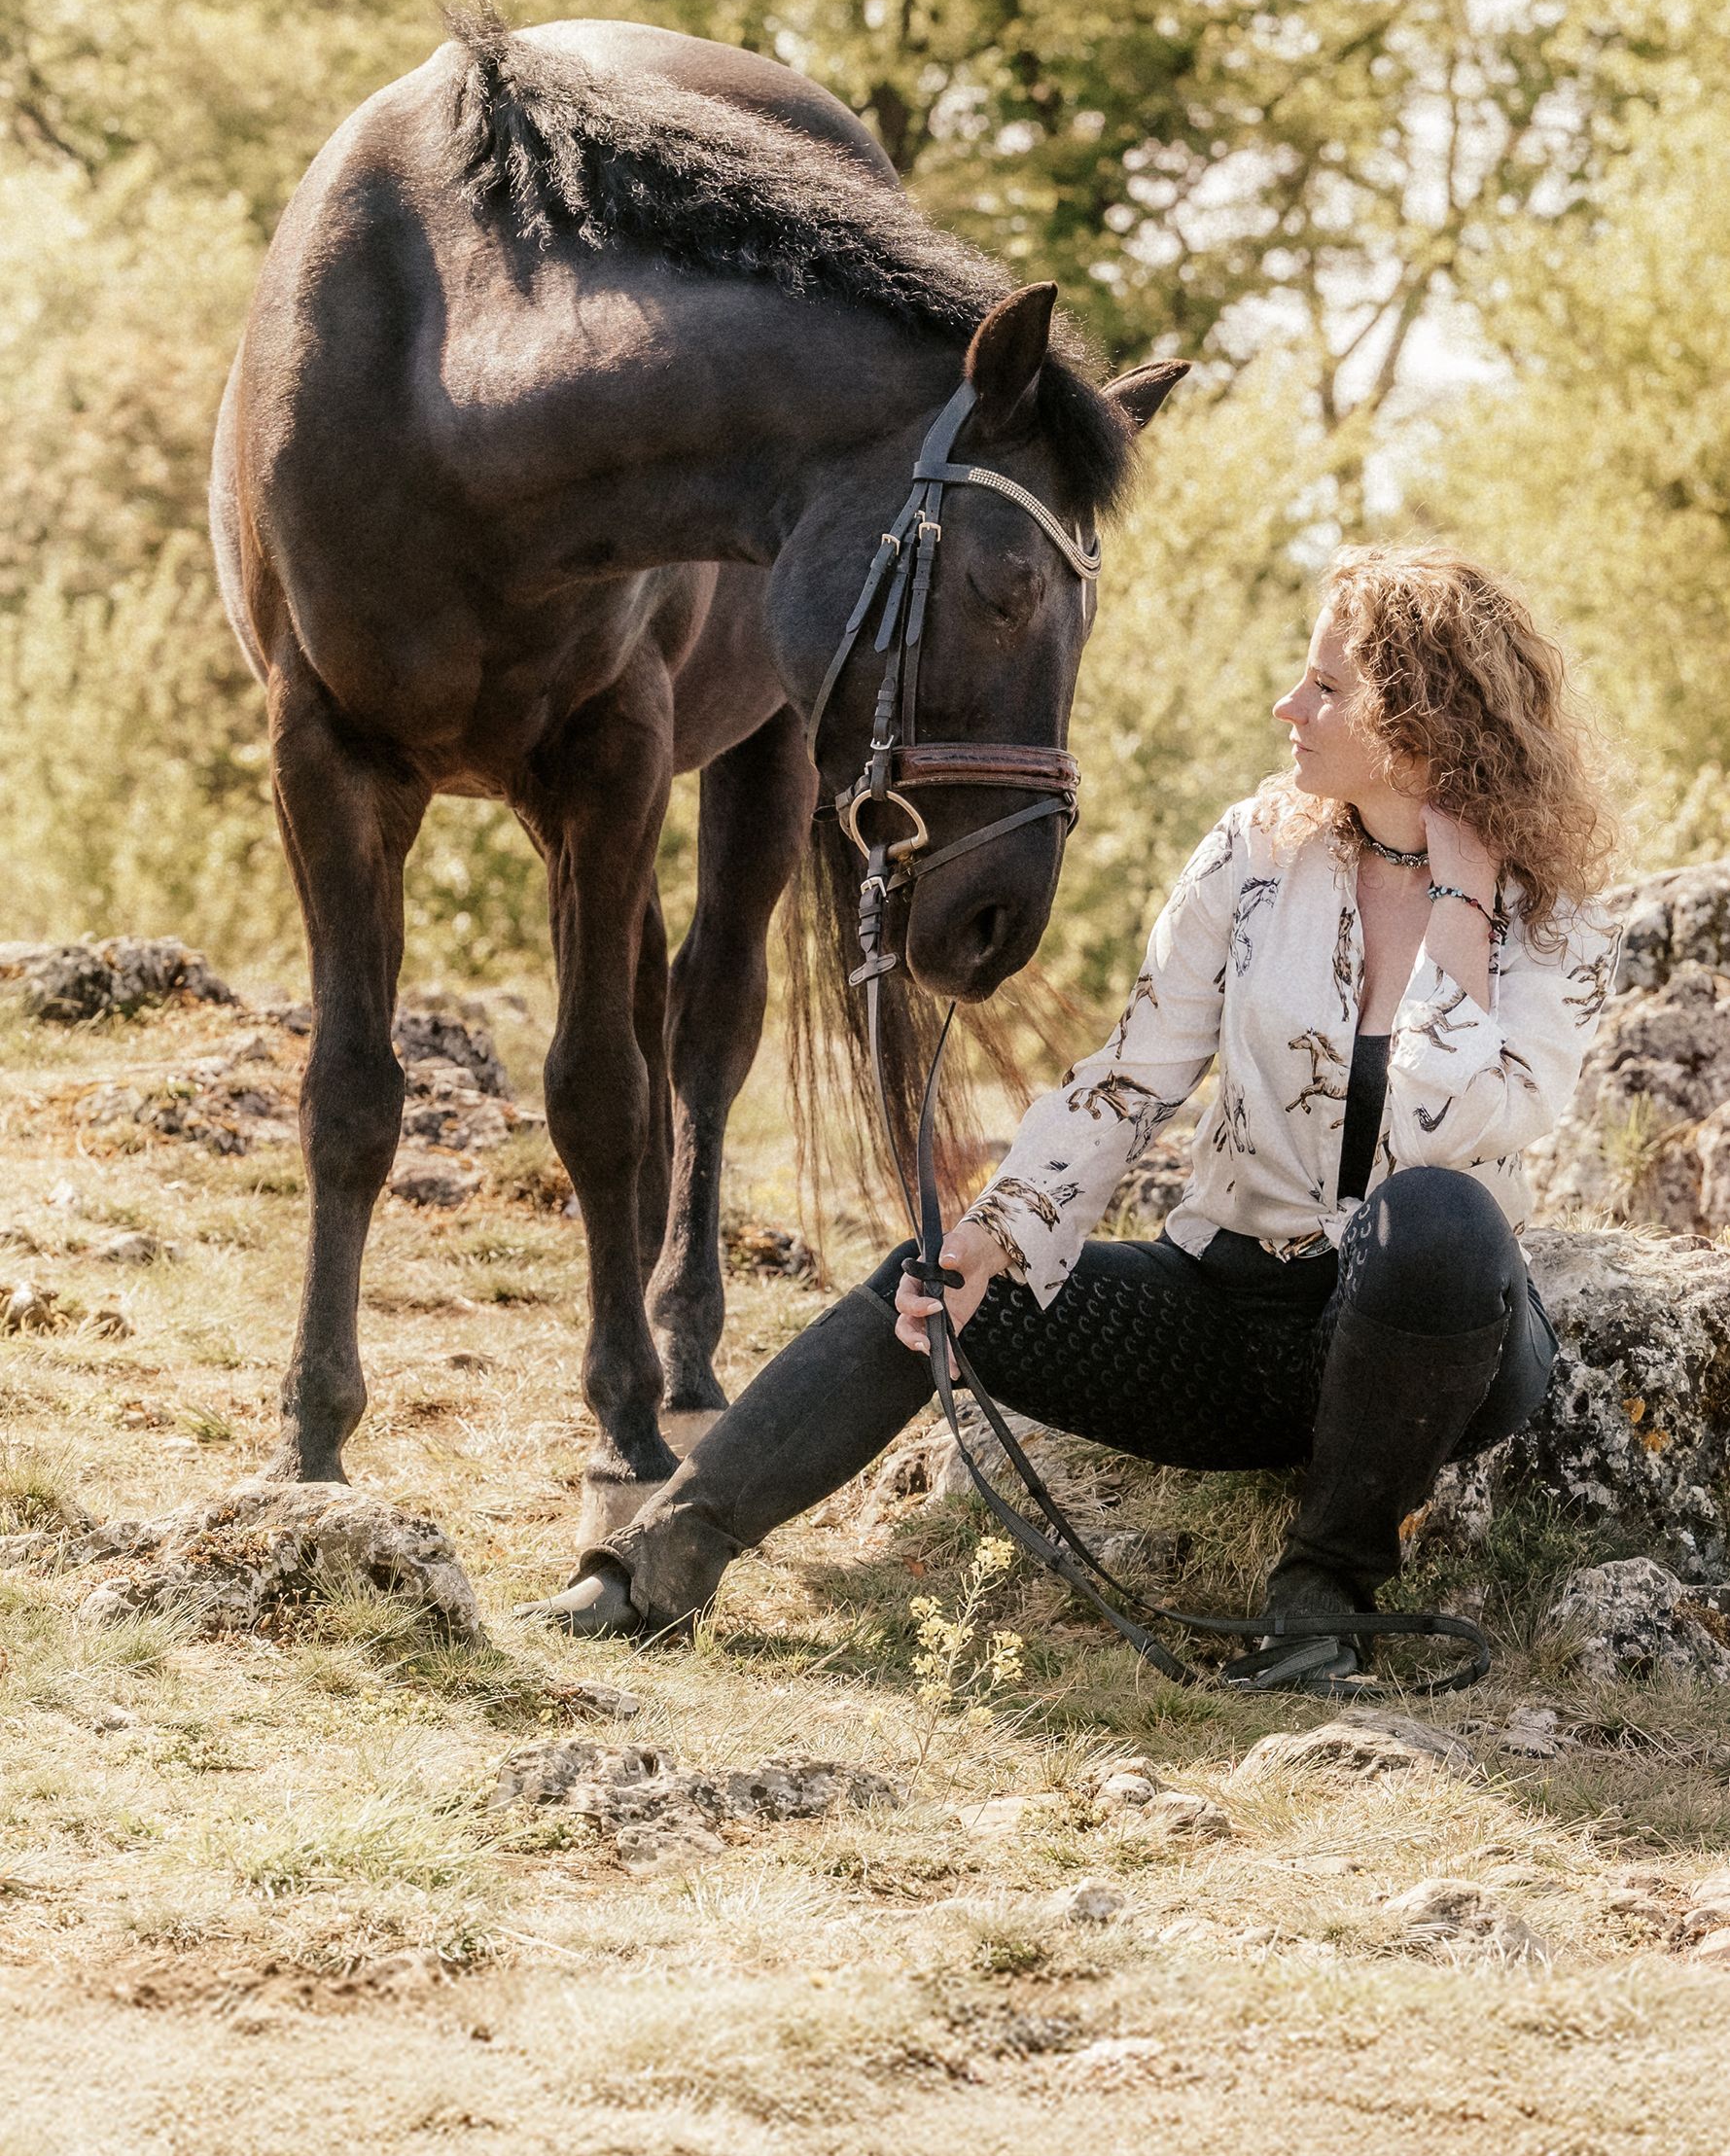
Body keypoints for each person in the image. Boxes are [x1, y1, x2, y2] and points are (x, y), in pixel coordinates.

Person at [526, 545, 1620, 1690]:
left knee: (1436, 1214)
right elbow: (1133, 1072)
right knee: (933, 1283)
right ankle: (652, 1564)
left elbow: (1452, 1122)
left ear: (1418, 717)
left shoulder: (1553, 922)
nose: (1287, 706)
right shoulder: (1256, 853)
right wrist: (1003, 1225)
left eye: (1328, 687)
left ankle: (1321, 1595)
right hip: (1230, 1324)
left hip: (1434, 1355)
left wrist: (1458, 899)